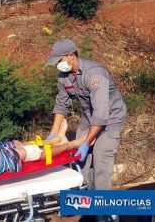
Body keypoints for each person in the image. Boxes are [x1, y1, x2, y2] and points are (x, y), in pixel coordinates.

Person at [45, 38, 127, 193]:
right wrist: (53, 134)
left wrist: (86, 142)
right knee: (79, 161)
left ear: (70, 55)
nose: (57, 65)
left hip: (111, 117)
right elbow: (61, 104)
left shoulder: (94, 75)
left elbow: (101, 113)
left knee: (101, 160)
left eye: (59, 60)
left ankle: (106, 213)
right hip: (90, 116)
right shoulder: (64, 76)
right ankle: (84, 199)